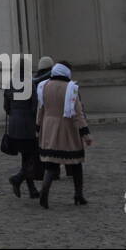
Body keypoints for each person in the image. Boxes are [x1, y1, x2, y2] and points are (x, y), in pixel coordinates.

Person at [35, 60, 94, 208]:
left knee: (51, 164)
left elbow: (40, 109)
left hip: (48, 128)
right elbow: (78, 114)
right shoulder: (71, 88)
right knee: (75, 163)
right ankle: (78, 195)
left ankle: (44, 191)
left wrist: (38, 128)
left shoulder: (44, 86)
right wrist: (85, 134)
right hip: (66, 129)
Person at [4, 55, 53, 199]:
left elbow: (6, 107)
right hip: (27, 126)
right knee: (33, 156)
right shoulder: (29, 83)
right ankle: (18, 178)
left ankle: (32, 189)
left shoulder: (10, 84)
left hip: (14, 127)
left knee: (26, 157)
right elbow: (34, 106)